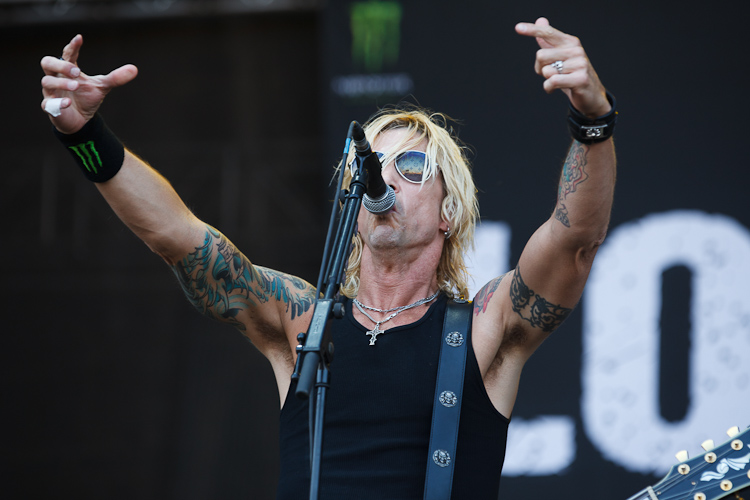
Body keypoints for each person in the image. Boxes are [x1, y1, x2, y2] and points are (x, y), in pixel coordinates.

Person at [40, 17, 616, 499]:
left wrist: (593, 121)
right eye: (373, 165)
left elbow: (574, 242)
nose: (386, 177)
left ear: (449, 213)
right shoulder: (301, 321)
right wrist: (84, 134)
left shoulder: (485, 329)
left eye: (412, 166)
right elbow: (176, 235)